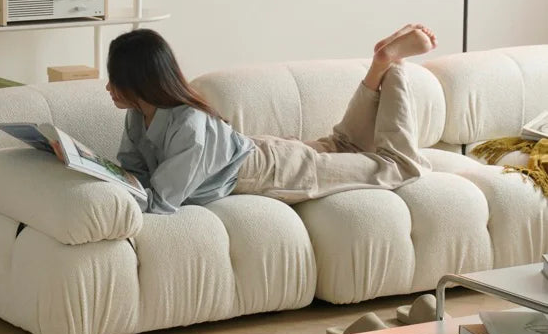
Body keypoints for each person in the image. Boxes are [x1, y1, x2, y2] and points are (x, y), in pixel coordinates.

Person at [106, 24, 436, 215]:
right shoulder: (139, 116)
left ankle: (394, 65)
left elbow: (161, 202)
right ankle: (379, 65)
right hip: (262, 152)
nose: (109, 88)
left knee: (398, 167)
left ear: (141, 83)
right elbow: (133, 173)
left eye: (116, 80)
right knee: (342, 144)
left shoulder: (189, 127)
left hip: (273, 171)